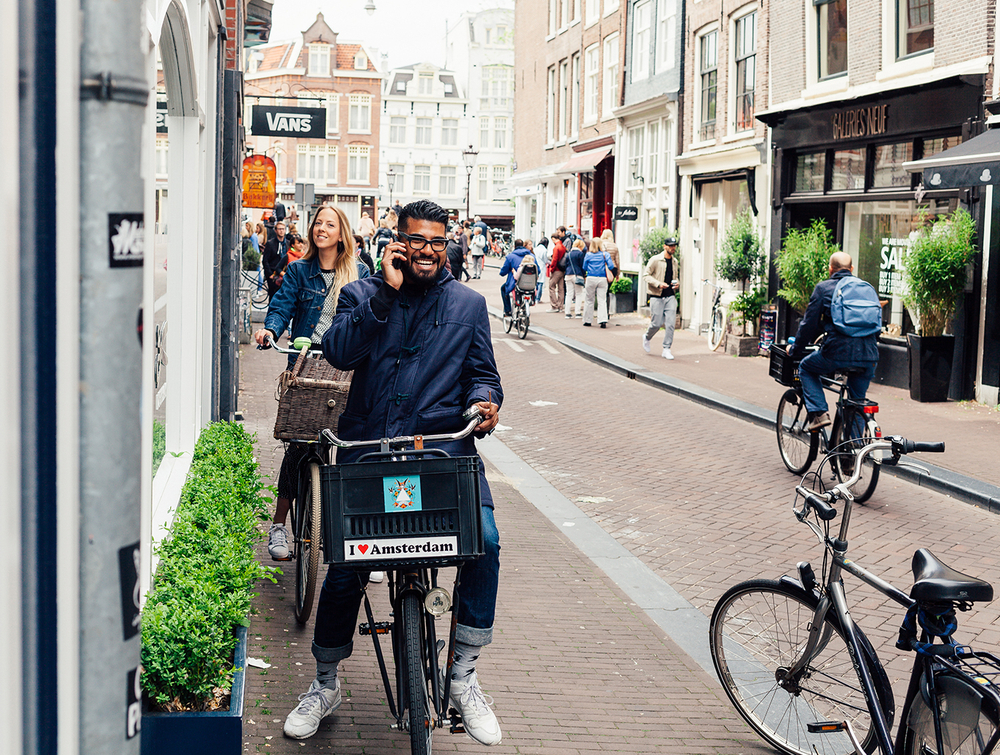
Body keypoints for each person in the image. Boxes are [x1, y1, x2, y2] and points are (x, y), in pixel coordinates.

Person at [281, 199, 504, 747]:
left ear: (447, 244)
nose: (426, 250)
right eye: (416, 239)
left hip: (442, 458)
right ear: (398, 240)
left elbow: (483, 375)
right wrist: (385, 291)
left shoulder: (470, 305)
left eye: (436, 241)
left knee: (486, 541)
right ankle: (325, 682)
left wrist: (484, 403)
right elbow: (337, 351)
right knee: (346, 567)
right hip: (370, 456)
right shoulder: (362, 293)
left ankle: (463, 676)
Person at [253, 206, 371, 563]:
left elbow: (370, 318)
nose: (321, 228)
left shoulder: (360, 272)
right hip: (304, 364)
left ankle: (363, 538)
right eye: (318, 223)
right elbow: (282, 306)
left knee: (354, 451)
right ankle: (279, 525)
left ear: (341, 233)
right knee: (298, 445)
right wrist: (270, 330)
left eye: (329, 224)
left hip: (347, 368)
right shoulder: (299, 270)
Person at [789, 252, 880, 431]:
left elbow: (808, 325)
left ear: (830, 269)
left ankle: (819, 413)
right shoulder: (866, 290)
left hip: (837, 352)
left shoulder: (824, 288)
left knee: (806, 368)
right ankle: (855, 445)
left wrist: (795, 350)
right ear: (852, 269)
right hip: (869, 355)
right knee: (857, 401)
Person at [642, 237, 681, 360]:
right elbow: (645, 275)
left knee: (670, 324)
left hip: (670, 296)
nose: (673, 248)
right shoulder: (655, 260)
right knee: (656, 323)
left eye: (674, 245)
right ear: (665, 246)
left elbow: (675, 277)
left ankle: (666, 348)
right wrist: (658, 284)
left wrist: (677, 283)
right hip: (656, 296)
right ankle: (647, 337)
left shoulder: (675, 262)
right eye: (670, 246)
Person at [582, 238, 614, 328]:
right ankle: (602, 320)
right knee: (602, 300)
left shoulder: (588, 255)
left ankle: (587, 320)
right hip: (602, 278)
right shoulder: (605, 254)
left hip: (591, 278)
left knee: (589, 300)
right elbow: (611, 266)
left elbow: (584, 267)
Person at [499, 239, 532, 316]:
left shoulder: (510, 256)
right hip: (530, 282)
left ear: (514, 246)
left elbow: (504, 271)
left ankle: (508, 310)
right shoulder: (531, 256)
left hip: (515, 282)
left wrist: (502, 272)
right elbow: (538, 270)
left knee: (503, 289)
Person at [262, 220, 290, 300]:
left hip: (284, 274)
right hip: (273, 273)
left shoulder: (288, 243)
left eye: (283, 229)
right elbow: (265, 260)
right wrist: (269, 274)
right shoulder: (270, 243)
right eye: (279, 229)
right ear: (276, 230)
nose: (281, 231)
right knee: (273, 295)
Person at [563, 239, 586, 318]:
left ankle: (567, 313)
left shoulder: (568, 254)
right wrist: (584, 275)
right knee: (578, 294)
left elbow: (566, 265)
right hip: (577, 275)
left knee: (569, 294)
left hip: (568, 275)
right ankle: (577, 312)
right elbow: (582, 266)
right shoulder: (580, 254)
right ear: (579, 246)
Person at [546, 232, 567, 313]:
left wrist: (552, 269)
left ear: (553, 239)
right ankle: (560, 306)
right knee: (561, 288)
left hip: (557, 270)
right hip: (562, 269)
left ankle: (554, 306)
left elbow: (554, 259)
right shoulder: (563, 246)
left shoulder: (556, 247)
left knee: (551, 286)